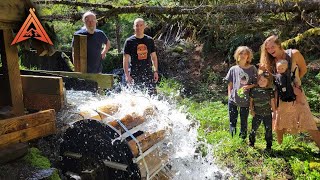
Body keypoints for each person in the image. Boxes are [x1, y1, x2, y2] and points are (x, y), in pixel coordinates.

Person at [259, 35, 320, 148]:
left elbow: (304, 69)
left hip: (297, 96)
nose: (270, 50)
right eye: (267, 48)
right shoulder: (269, 61)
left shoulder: (294, 53)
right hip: (280, 96)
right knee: (279, 123)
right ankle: (281, 147)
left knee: (308, 122)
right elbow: (268, 81)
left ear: (279, 45)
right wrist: (263, 72)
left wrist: (295, 83)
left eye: (272, 47)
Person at [225, 46, 257, 140]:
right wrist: (229, 95)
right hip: (233, 100)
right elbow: (230, 84)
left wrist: (249, 86)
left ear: (248, 56)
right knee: (232, 122)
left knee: (244, 122)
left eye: (245, 54)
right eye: (240, 53)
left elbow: (257, 83)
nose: (243, 55)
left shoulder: (252, 69)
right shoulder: (233, 69)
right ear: (237, 55)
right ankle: (233, 140)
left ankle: (242, 140)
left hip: (246, 101)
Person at [123, 18, 159, 95]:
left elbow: (154, 57)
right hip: (134, 73)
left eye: (141, 25)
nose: (138, 28)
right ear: (134, 27)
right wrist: (127, 75)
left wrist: (155, 71)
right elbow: (125, 60)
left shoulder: (150, 40)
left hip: (148, 73)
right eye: (137, 26)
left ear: (144, 26)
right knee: (135, 97)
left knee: (152, 96)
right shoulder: (129, 41)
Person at [249, 70, 276, 151]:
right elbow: (251, 101)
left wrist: (274, 112)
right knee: (254, 129)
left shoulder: (270, 91)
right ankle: (251, 143)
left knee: (268, 130)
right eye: (260, 80)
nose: (262, 82)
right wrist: (252, 110)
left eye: (264, 81)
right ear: (258, 80)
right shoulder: (254, 90)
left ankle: (268, 146)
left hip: (267, 114)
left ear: (268, 82)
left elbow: (272, 102)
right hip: (257, 114)